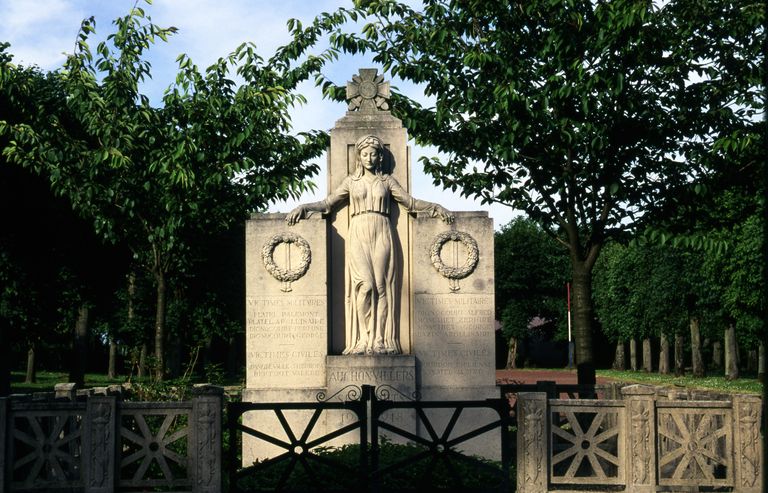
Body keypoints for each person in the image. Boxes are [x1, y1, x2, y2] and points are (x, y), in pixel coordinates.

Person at [287, 135, 453, 355]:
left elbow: (410, 203)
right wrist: (304, 207)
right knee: (364, 286)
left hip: (382, 229)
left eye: (373, 154)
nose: (369, 158)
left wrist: (436, 207)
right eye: (364, 153)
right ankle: (363, 339)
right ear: (359, 156)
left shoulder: (387, 182)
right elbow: (328, 204)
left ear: (379, 157)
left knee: (382, 286)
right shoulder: (350, 182)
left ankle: (380, 340)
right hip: (358, 231)